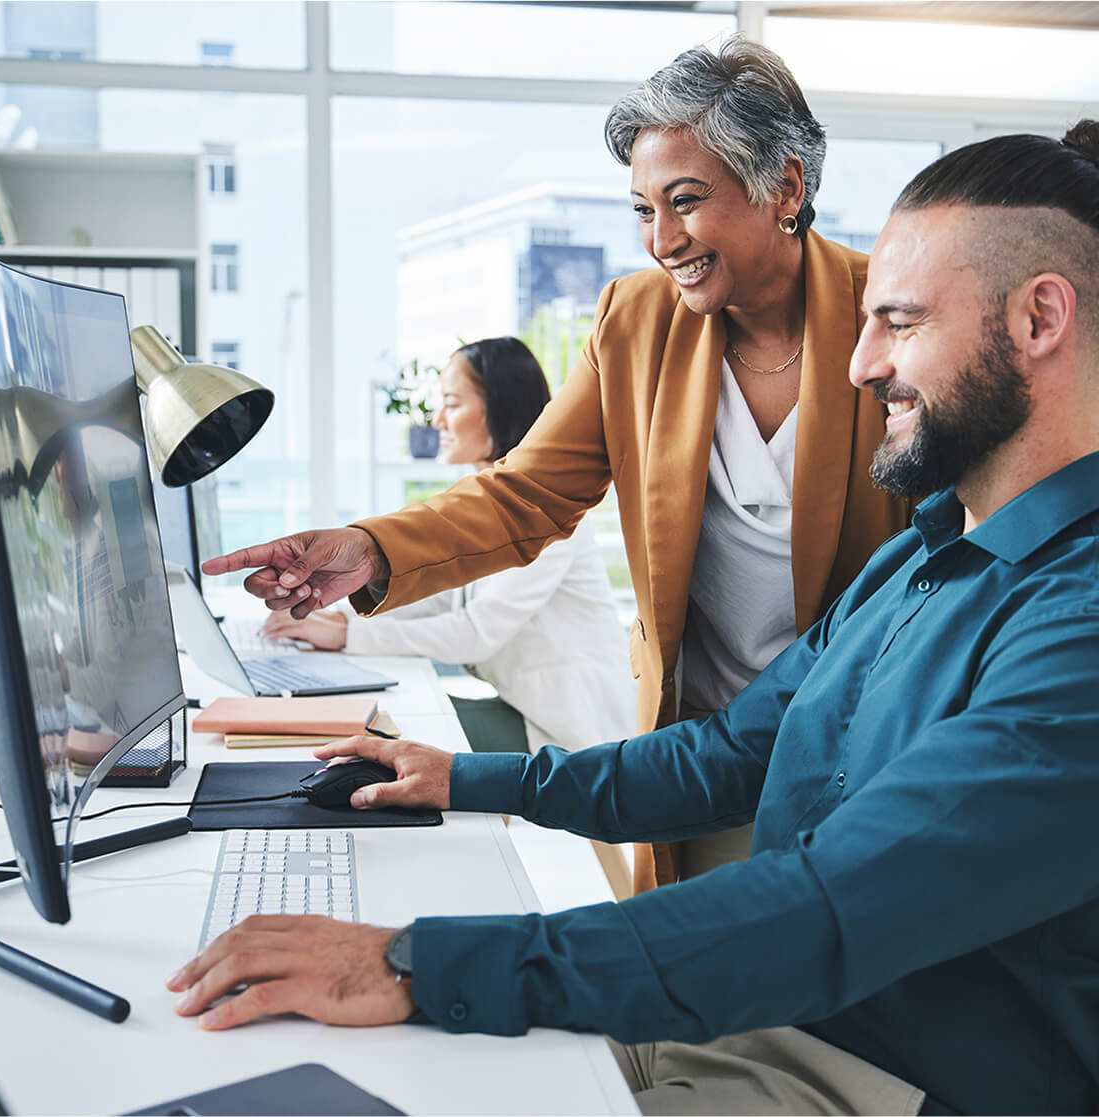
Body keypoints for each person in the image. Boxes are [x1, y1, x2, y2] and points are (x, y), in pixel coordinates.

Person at [170, 124, 1099, 1115]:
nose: (860, 364)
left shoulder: (1073, 624)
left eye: (901, 323)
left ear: (1040, 317)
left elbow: (834, 905)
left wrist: (408, 963)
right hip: (754, 1006)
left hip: (877, 1074)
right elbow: (724, 756)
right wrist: (463, 778)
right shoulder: (915, 557)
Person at [202, 36, 911, 892]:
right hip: (697, 745)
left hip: (864, 744)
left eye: (685, 201)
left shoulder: (894, 319)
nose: (662, 239)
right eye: (644, 210)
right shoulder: (637, 320)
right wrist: (369, 546)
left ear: (786, 187)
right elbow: (527, 491)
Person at [259, 337, 636, 756]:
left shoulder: (549, 515)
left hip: (575, 728)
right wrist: (336, 612)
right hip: (527, 708)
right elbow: (441, 598)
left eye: (452, 404)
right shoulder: (486, 505)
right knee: (377, 724)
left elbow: (475, 633)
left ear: (503, 407)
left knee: (388, 735)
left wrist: (348, 636)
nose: (437, 420)